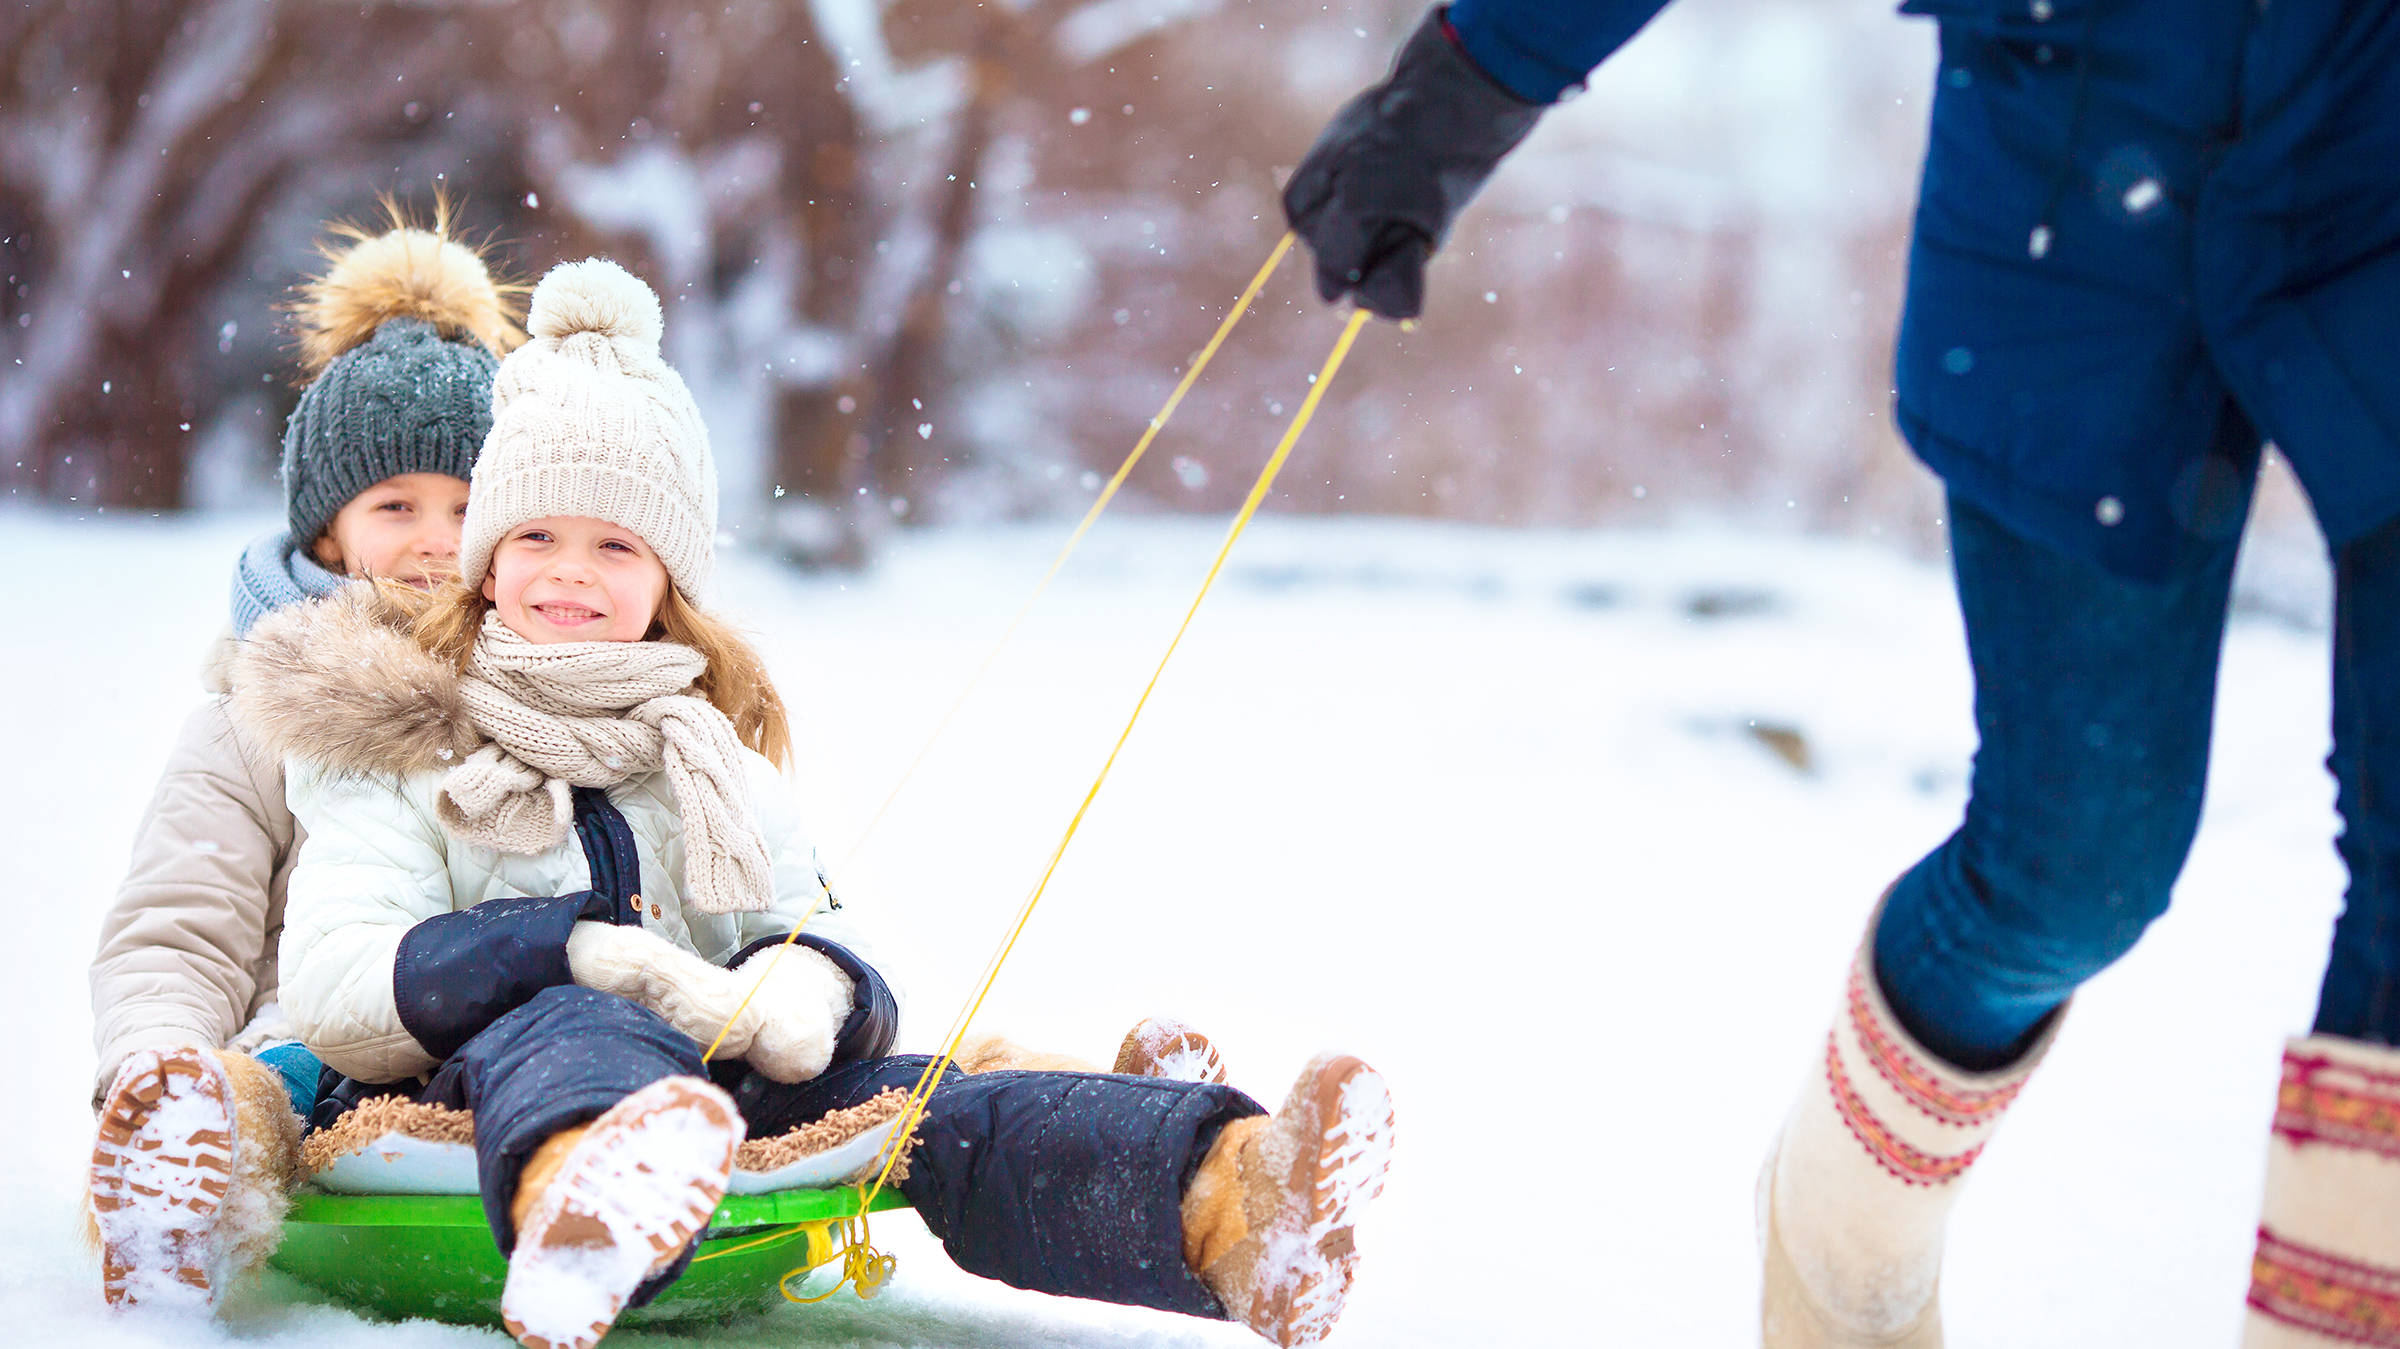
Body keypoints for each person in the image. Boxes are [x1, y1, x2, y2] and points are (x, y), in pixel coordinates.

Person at [1283, 5, 2400, 1347]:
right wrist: (1467, 83)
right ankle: (1841, 1266)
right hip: (2080, 165)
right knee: (2073, 866)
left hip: (2377, 149)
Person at [230, 258, 1396, 1349]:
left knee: (935, 1105)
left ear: (669, 581)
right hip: (466, 1082)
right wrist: (583, 956)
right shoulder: (398, 741)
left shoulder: (705, 754)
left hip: (717, 1090)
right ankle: (587, 1209)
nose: (571, 570)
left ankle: (1228, 1200)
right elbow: (336, 979)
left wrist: (799, 989)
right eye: (536, 534)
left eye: (615, 544)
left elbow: (824, 924)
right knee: (577, 1021)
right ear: (489, 564)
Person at [84, 210, 519, 1312]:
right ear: (326, 534)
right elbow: (177, 925)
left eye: (468, 508)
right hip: (312, 1050)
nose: (434, 538)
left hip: (512, 1047)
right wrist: (153, 1057)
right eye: (395, 505)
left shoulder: (554, 693)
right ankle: (185, 1158)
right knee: (263, 1087)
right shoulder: (254, 716)